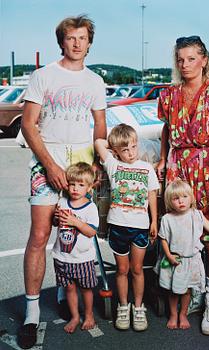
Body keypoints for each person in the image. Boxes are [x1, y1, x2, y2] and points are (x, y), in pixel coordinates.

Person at [18, 15, 107, 349]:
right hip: (47, 161)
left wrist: (98, 162)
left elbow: (100, 126)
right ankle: (31, 312)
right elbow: (28, 124)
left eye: (82, 38)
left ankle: (65, 284)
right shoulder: (43, 76)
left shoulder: (95, 81)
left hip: (82, 163)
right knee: (41, 235)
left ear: (89, 42)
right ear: (62, 41)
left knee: (75, 230)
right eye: (71, 37)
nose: (77, 43)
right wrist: (50, 165)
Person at [157, 35, 209, 335]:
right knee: (179, 238)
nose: (185, 64)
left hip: (207, 169)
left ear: (204, 60)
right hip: (179, 172)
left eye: (191, 58)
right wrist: (164, 160)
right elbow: (167, 129)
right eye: (180, 59)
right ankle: (188, 291)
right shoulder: (169, 95)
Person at [94, 123, 160, 331]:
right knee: (122, 270)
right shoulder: (113, 165)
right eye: (125, 150)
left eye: (133, 147)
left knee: (137, 269)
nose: (131, 153)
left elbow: (151, 194)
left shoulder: (146, 167)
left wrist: (154, 220)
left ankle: (138, 307)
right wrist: (114, 147)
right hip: (118, 226)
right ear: (116, 152)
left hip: (140, 226)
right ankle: (124, 306)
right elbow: (98, 143)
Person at [156, 180, 209, 330]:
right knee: (173, 291)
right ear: (170, 202)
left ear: (191, 197)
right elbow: (163, 239)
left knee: (187, 291)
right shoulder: (167, 219)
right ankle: (173, 314)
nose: (181, 201)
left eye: (184, 197)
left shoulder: (196, 215)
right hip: (175, 260)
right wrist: (169, 255)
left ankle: (183, 314)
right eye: (176, 198)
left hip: (192, 261)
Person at [52, 162, 98, 333]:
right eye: (72, 184)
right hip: (63, 256)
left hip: (83, 258)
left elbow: (91, 231)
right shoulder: (63, 202)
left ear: (89, 187)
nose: (75, 189)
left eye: (81, 185)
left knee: (86, 289)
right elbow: (56, 223)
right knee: (69, 288)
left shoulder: (90, 207)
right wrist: (56, 218)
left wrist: (75, 221)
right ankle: (75, 316)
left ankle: (89, 315)